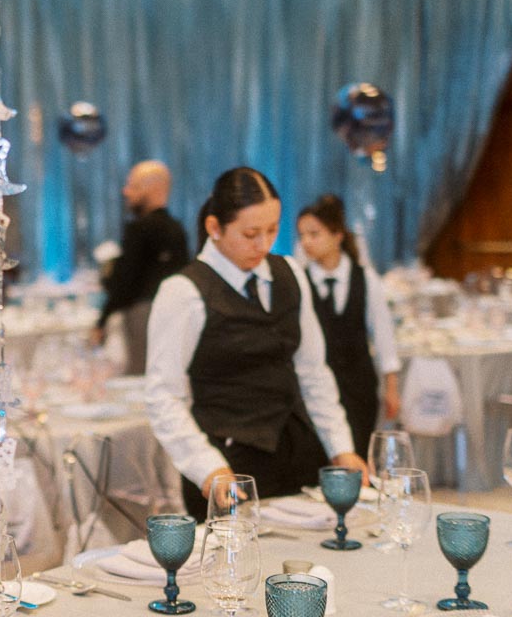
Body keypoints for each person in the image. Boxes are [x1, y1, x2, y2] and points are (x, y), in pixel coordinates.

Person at [144, 167, 368, 519]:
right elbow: (162, 395)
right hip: (227, 465)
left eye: (272, 230)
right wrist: (207, 467)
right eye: (250, 234)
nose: (263, 245)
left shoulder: (290, 272)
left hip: (298, 454)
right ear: (214, 227)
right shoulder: (183, 292)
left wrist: (340, 446)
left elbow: (312, 371)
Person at [296, 194, 401, 456]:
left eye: (314, 234)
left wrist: (391, 387)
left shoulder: (365, 279)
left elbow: (383, 335)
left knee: (358, 453)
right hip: (315, 388)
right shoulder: (300, 281)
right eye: (302, 235)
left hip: (359, 386)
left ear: (337, 235)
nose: (307, 242)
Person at [91, 160, 190, 375]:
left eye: (133, 186)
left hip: (142, 315)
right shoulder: (177, 229)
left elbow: (124, 282)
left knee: (143, 376)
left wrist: (102, 320)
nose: (125, 192)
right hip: (177, 314)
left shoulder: (139, 229)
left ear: (153, 188)